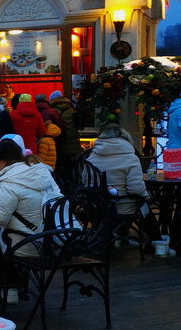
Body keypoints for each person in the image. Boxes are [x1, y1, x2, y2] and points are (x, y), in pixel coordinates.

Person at [0, 137, 62, 304]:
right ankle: (9, 283)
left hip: (27, 245)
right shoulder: (40, 173)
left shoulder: (10, 182)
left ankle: (9, 285)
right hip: (52, 240)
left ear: (2, 160)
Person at [86, 124, 167, 252]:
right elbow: (135, 188)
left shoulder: (91, 157)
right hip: (119, 206)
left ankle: (121, 237)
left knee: (136, 204)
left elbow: (86, 183)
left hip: (95, 207)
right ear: (125, 138)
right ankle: (158, 244)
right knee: (143, 206)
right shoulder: (130, 158)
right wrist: (147, 197)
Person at [49, 91, 82, 171]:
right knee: (74, 168)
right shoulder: (72, 109)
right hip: (74, 143)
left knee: (63, 169)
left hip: (61, 144)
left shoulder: (53, 111)